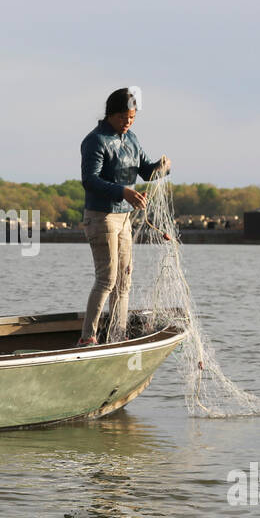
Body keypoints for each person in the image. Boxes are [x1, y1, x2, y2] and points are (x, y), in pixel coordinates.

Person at [78, 88, 170, 345]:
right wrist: (124, 192)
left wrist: (162, 168)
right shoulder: (95, 141)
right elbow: (89, 180)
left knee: (124, 279)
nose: (128, 122)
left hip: (125, 218)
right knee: (107, 279)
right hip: (101, 217)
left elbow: (147, 172)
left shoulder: (132, 140)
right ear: (110, 114)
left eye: (132, 117)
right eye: (123, 117)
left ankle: (117, 334)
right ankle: (88, 337)